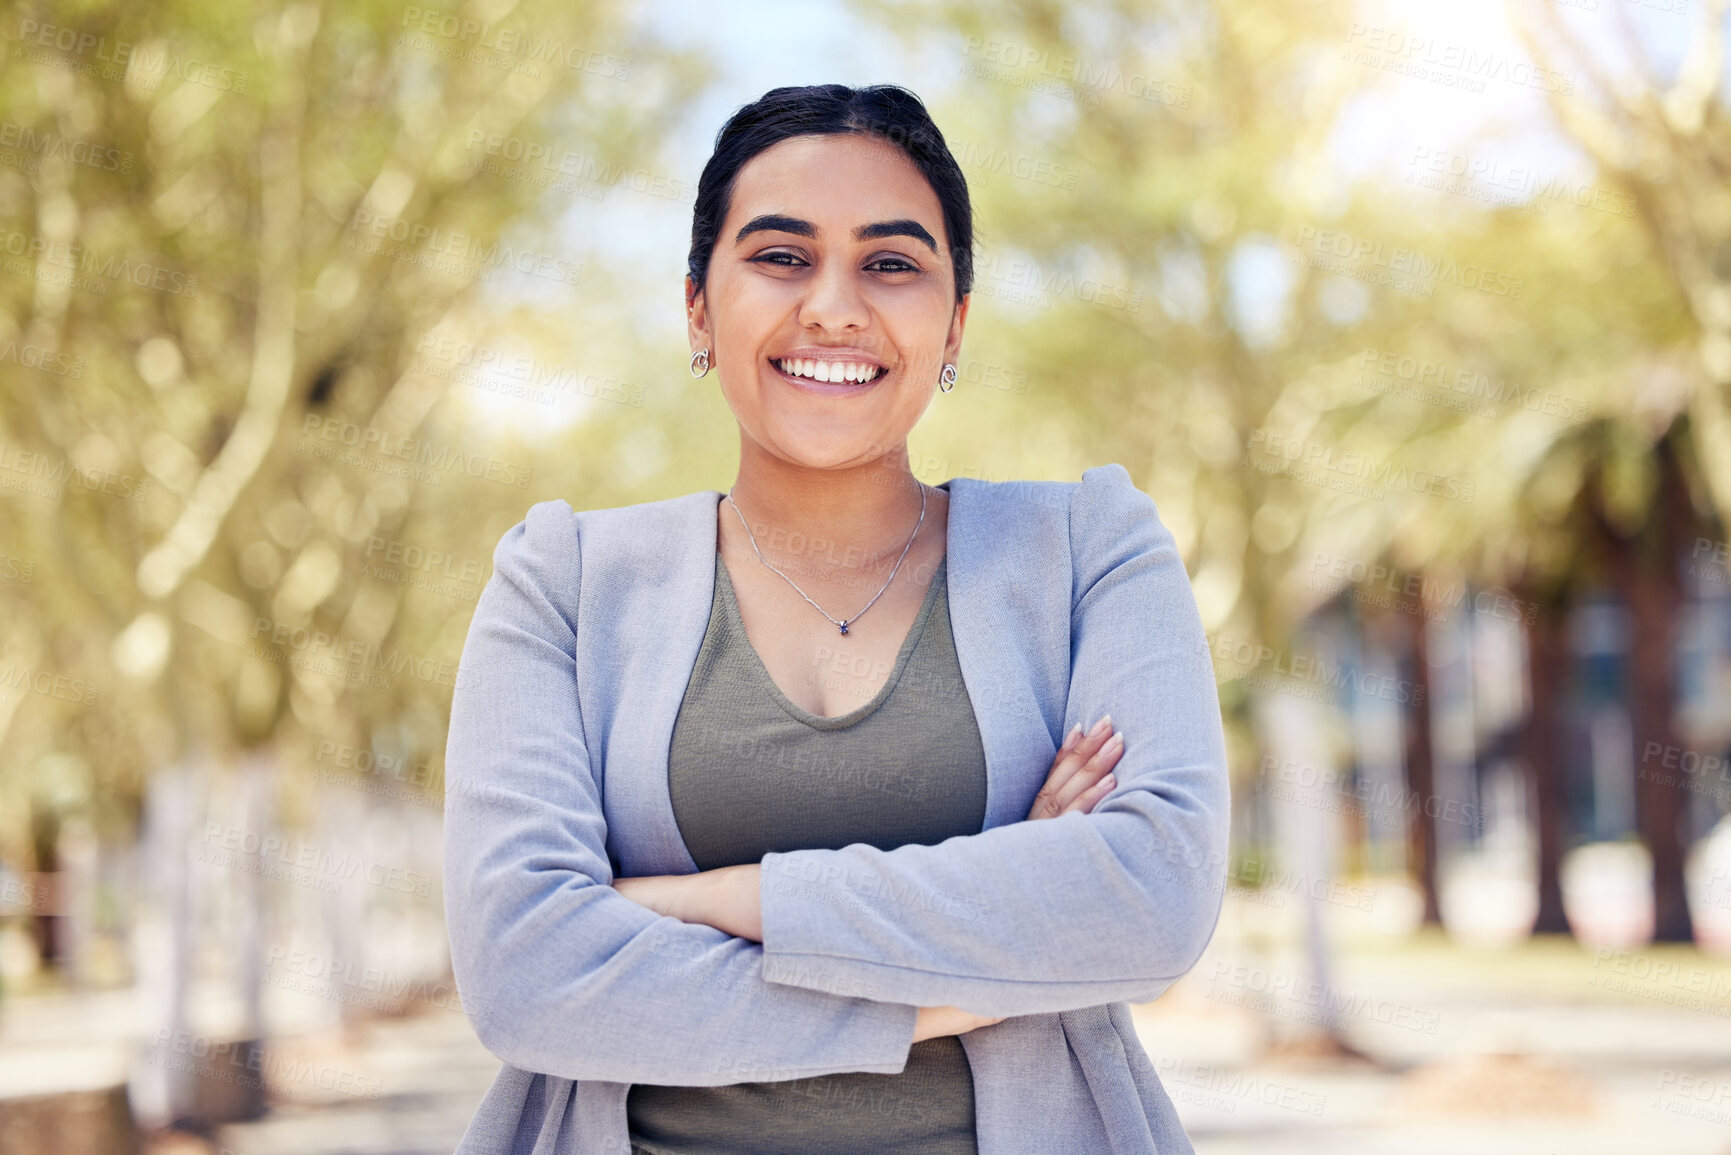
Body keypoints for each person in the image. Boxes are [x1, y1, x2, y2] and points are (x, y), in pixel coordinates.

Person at [443, 83, 1230, 1155]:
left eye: (892, 264)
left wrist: (709, 898)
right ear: (696, 309)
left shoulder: (1092, 552)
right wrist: (970, 979)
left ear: (954, 324)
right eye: (781, 255)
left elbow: (1154, 897)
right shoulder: (564, 585)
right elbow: (528, 974)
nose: (834, 307)